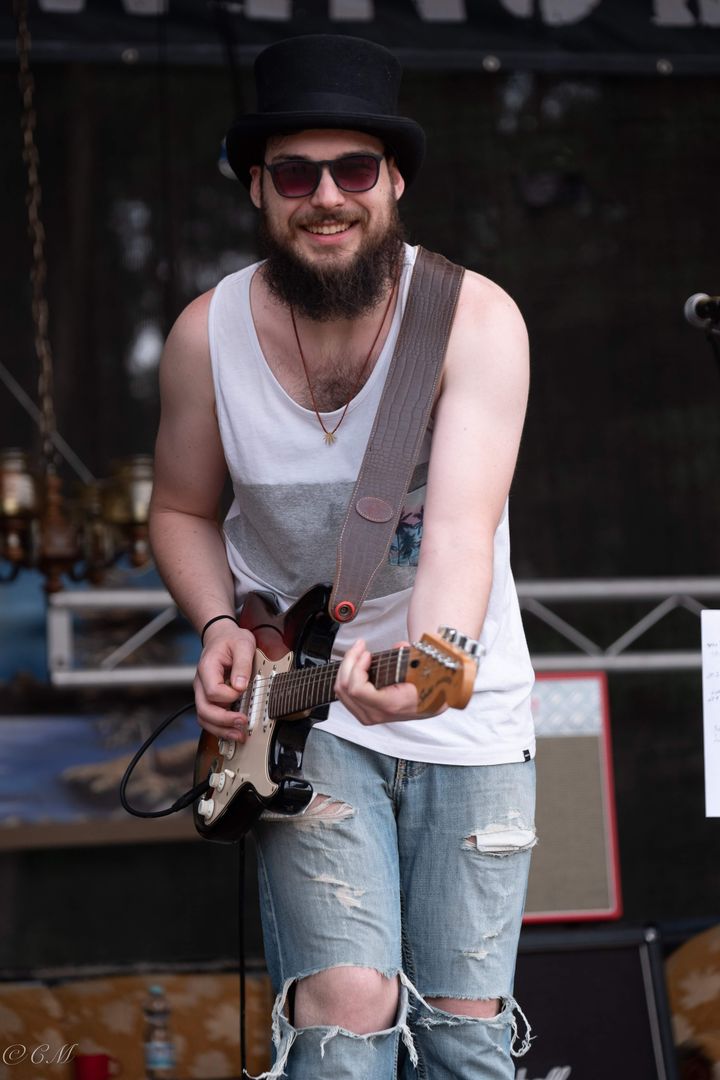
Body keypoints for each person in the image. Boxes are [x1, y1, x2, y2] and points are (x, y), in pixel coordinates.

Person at [148, 33, 536, 1080]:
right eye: (295, 174)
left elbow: (457, 530)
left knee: (464, 1034)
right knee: (347, 1010)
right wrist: (218, 623)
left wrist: (434, 669)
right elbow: (179, 509)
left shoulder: (475, 319)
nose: (327, 197)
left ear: (395, 180)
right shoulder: (205, 336)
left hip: (459, 691)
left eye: (354, 169)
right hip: (296, 708)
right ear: (257, 189)